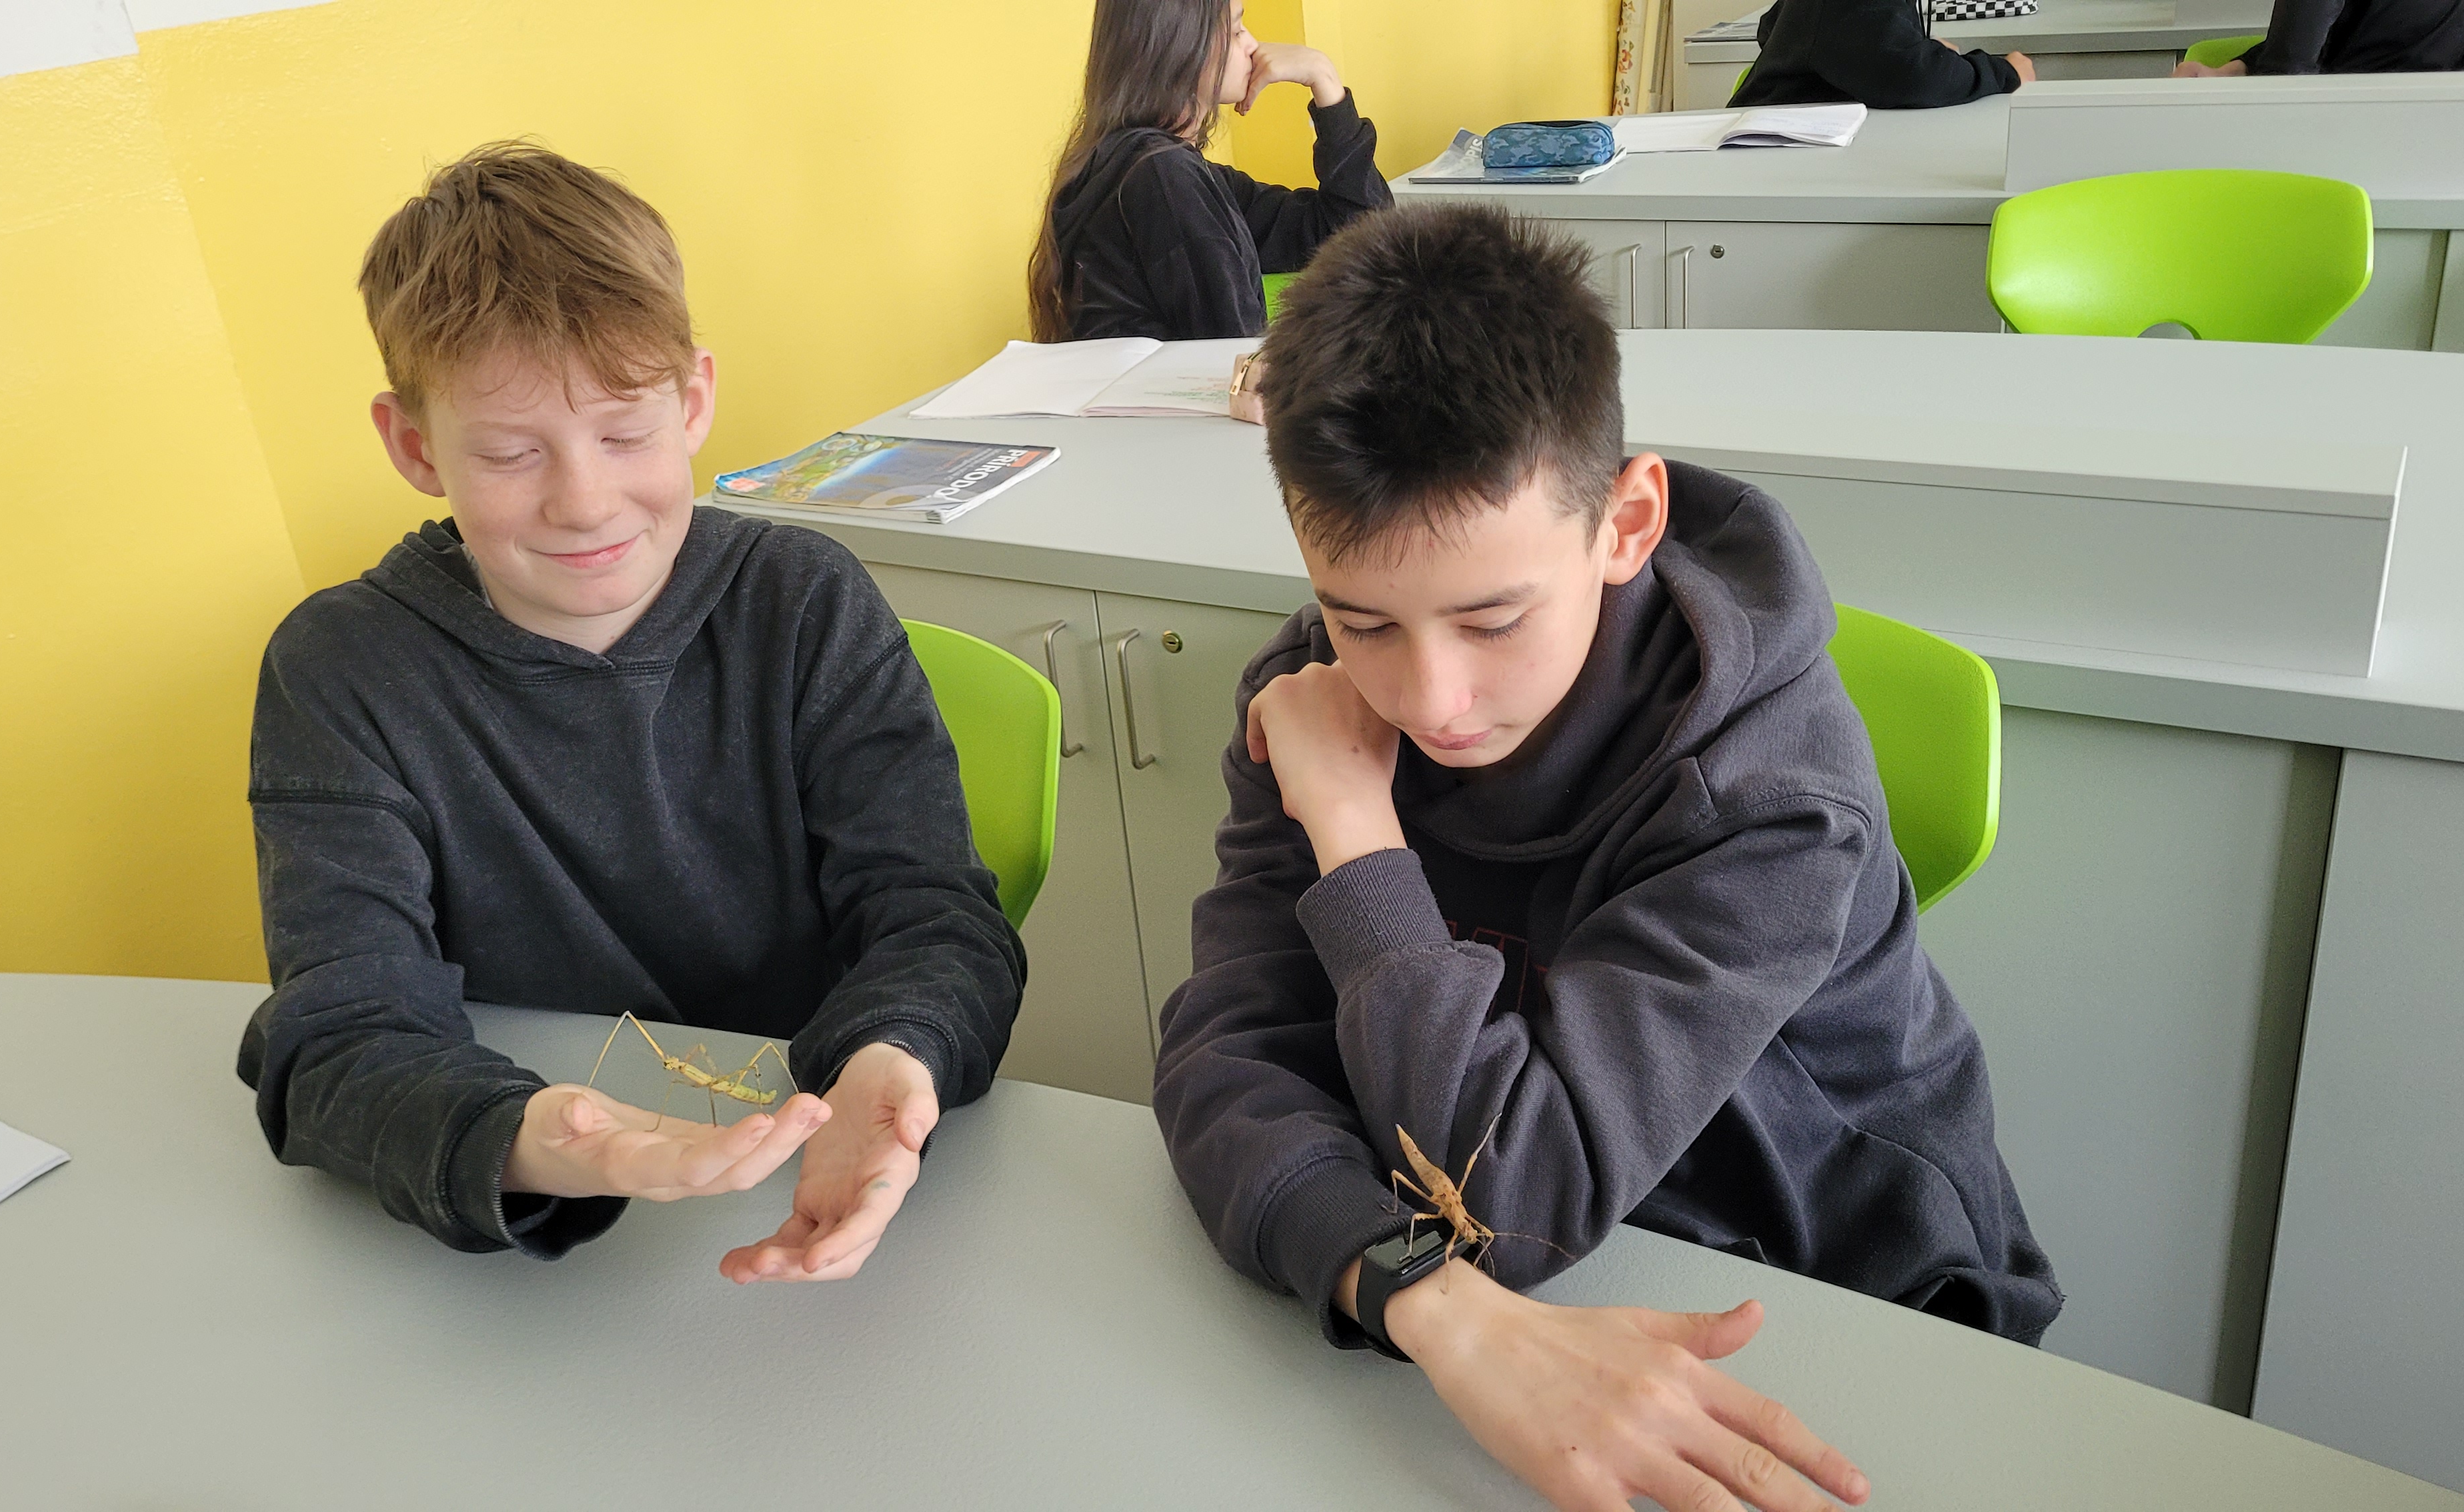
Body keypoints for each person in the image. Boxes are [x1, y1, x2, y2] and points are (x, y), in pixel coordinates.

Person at [1155, 201, 2061, 1512]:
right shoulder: (1311, 698)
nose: (1431, 700)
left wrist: (1355, 836)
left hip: (1836, 1294)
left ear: (1626, 522)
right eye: (1364, 621)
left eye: (1492, 620)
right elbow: (1226, 1060)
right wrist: (1420, 1299)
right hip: (1519, 1270)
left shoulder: (1769, 796)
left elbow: (1513, 1193)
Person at [237, 143, 1022, 1283]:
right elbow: (338, 1033)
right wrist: (532, 1139)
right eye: (510, 453)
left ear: (693, 401)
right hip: (534, 1233)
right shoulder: (341, 669)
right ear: (414, 445)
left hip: (822, 1165)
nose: (585, 499)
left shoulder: (803, 601)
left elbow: (935, 916)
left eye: (624, 434)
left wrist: (896, 1050)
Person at [1028, 0, 1391, 343]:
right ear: (1180, 46)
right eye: (1236, 30)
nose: (1253, 45)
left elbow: (1361, 231)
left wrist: (1325, 81)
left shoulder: (1153, 170)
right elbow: (1232, 354)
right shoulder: (1163, 177)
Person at [1731, 0, 2035, 108]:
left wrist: (1909, 43)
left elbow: (1772, 27)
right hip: (1766, 162)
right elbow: (1912, 77)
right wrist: (2006, 73)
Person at [2174, 0, 2464, 76]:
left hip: (2349, 139)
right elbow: (2345, 34)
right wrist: (2231, 70)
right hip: (2450, 135)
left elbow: (2285, 74)